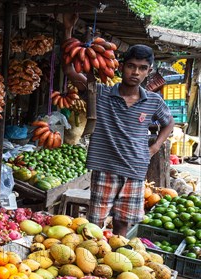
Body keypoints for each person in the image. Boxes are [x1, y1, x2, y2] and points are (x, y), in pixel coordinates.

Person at [63, 14, 175, 236]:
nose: (136, 72)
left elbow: (169, 123)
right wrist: (67, 31)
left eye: (142, 68)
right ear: (121, 67)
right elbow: (69, 71)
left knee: (123, 224)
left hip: (135, 170)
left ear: (148, 71)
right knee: (94, 225)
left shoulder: (153, 101)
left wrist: (153, 148)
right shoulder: (101, 93)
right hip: (106, 168)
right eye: (131, 66)